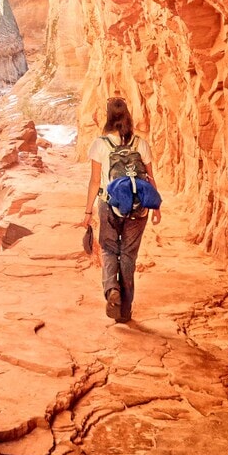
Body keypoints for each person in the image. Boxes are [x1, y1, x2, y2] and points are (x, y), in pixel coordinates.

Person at [82, 98, 153, 323]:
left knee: (109, 250)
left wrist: (87, 212)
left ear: (108, 117)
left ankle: (112, 289)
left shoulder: (100, 144)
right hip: (138, 207)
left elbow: (95, 181)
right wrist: (155, 205)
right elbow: (150, 178)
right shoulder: (140, 144)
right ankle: (125, 311)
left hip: (108, 204)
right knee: (129, 255)